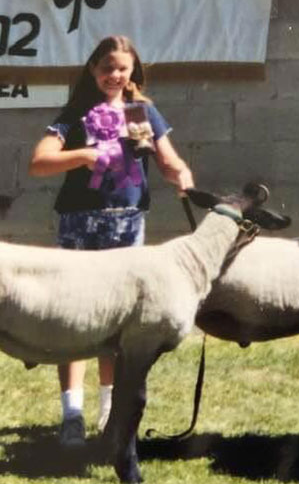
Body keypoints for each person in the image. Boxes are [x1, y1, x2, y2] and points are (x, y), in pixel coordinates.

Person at [29, 35, 194, 447]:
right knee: (73, 317)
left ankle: (108, 409)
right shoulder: (75, 113)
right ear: (92, 69)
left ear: (132, 71)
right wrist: (83, 156)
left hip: (127, 226)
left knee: (116, 322)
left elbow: (168, 158)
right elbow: (39, 162)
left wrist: (180, 175)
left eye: (122, 68)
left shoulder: (143, 112)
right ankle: (72, 413)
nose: (114, 75)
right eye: (106, 67)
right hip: (79, 224)